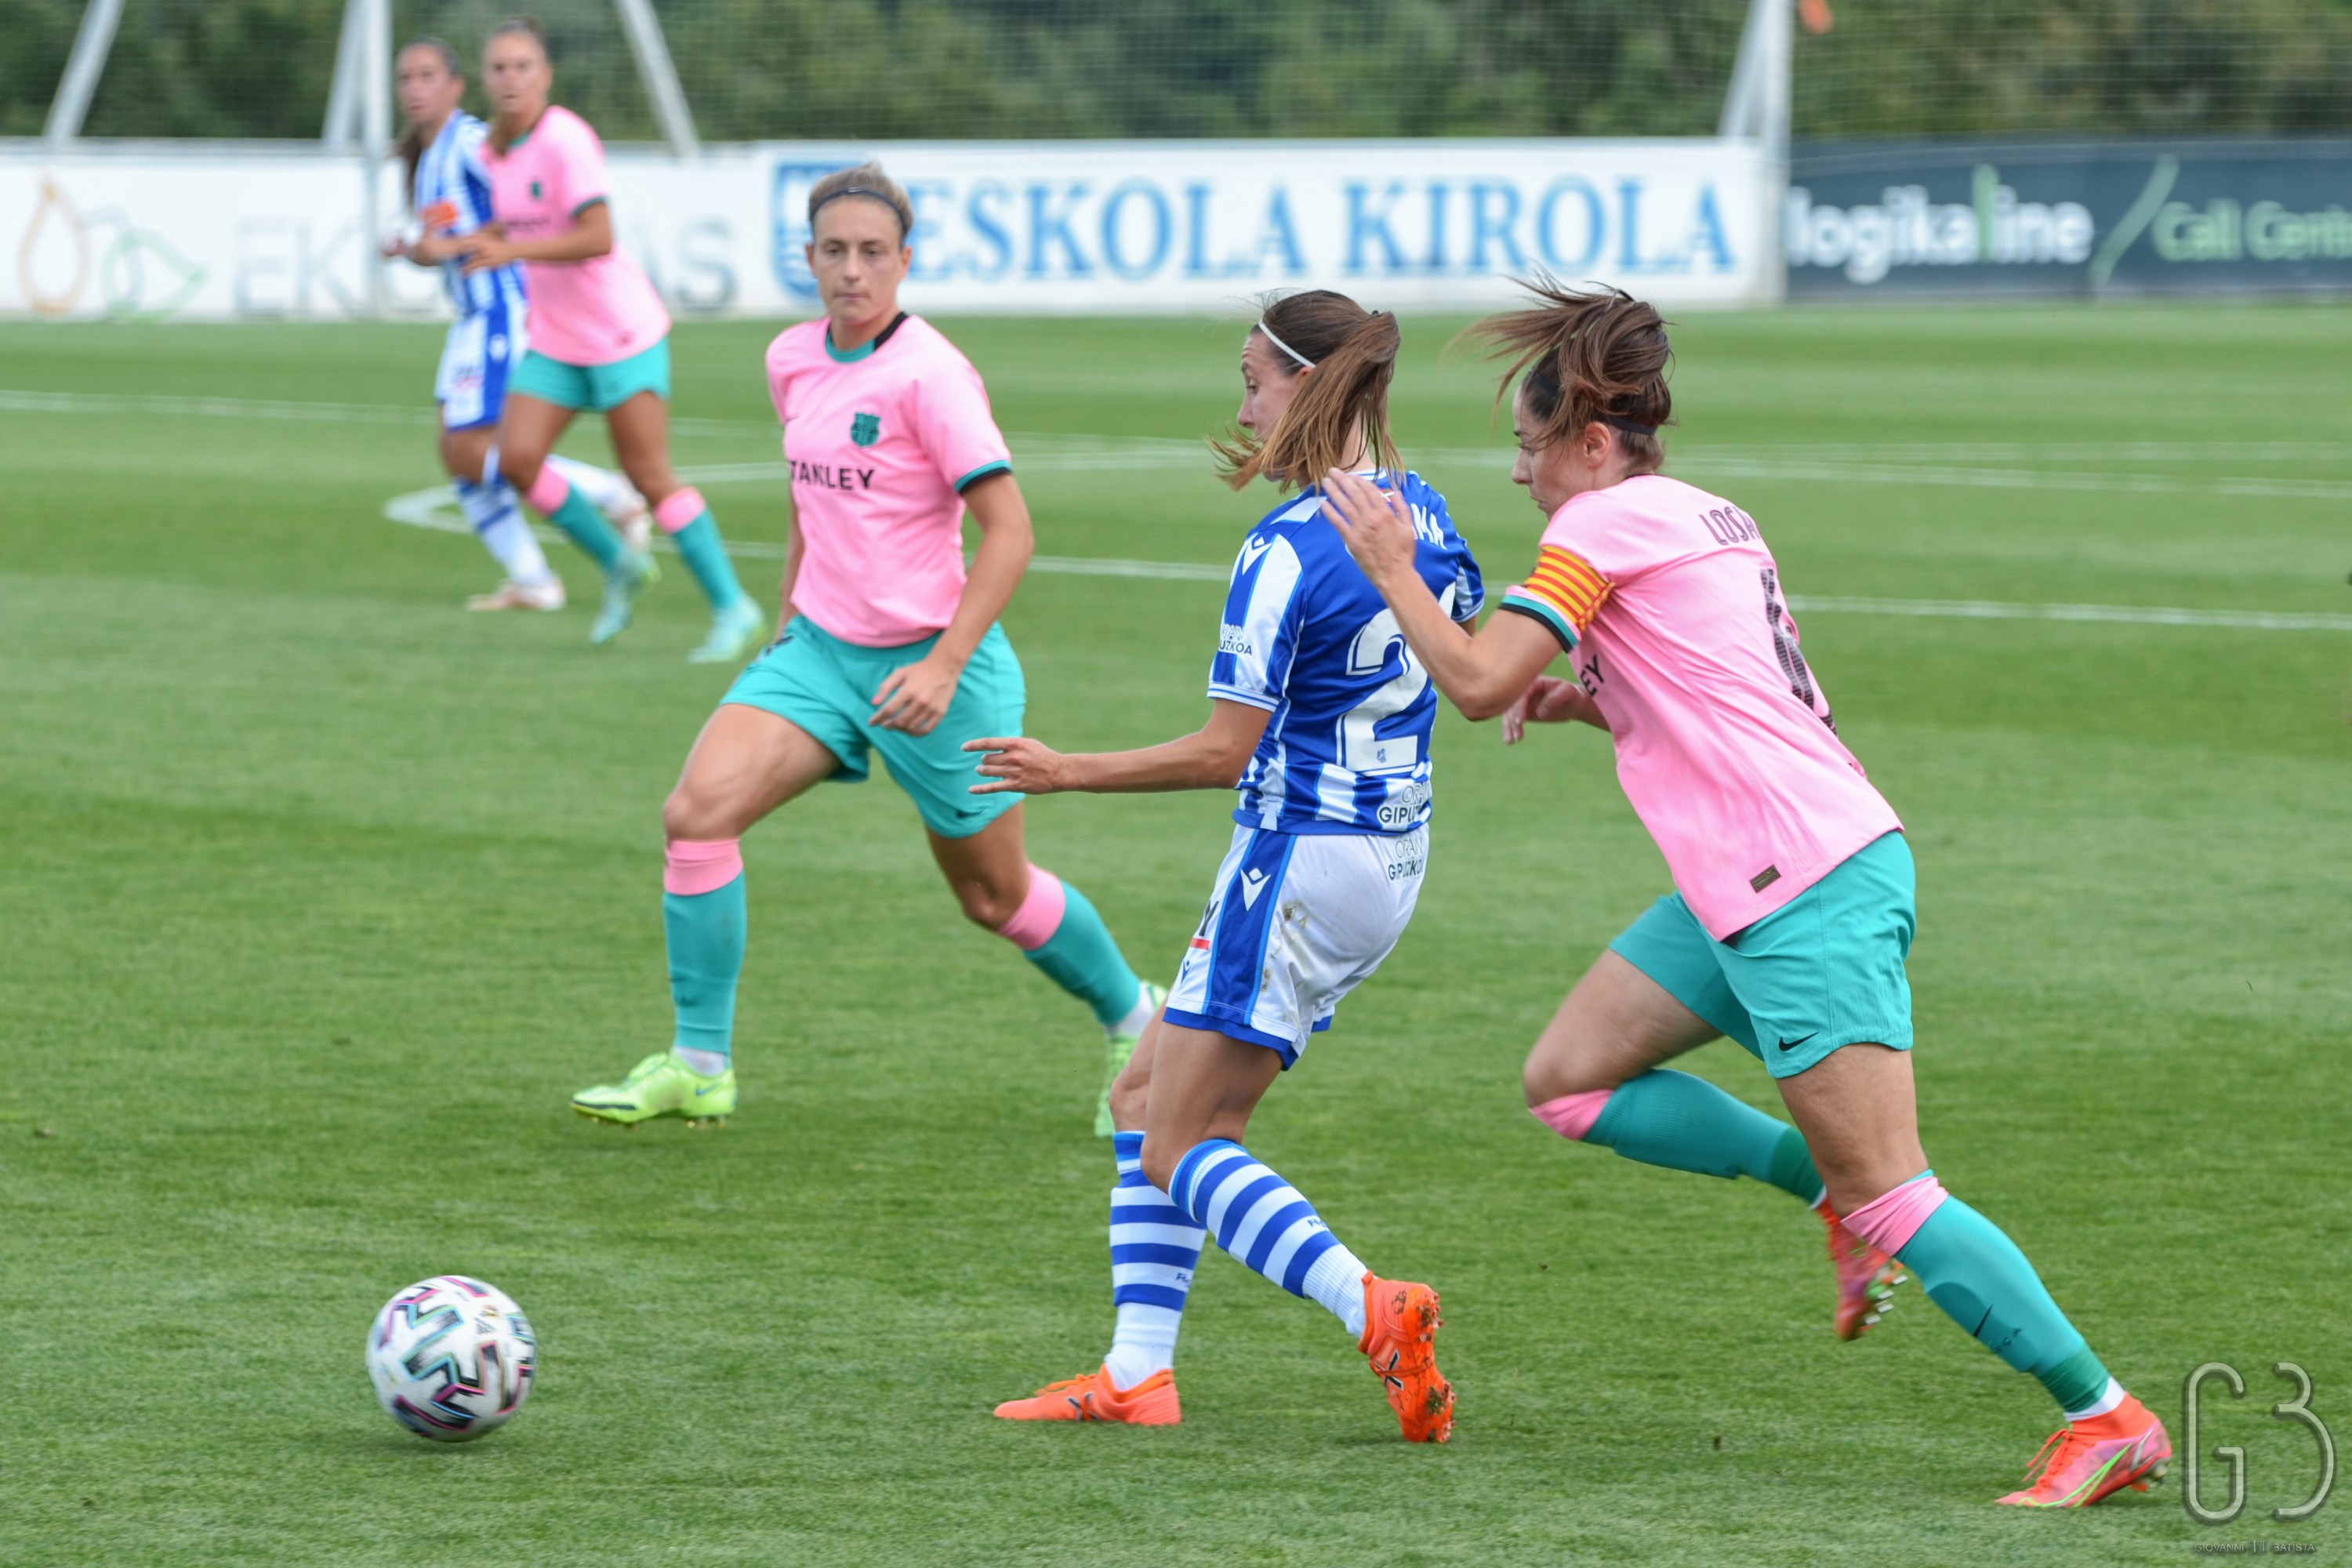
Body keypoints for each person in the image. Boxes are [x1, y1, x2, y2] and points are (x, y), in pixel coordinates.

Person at [1317, 280, 2171, 1505]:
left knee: (1899, 1189)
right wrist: (1595, 696)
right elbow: (1726, 680)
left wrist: (1392, 565)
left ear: (1595, 444)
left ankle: (2106, 1416)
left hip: (1799, 886)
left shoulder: (1598, 530)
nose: (1520, 477)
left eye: (1530, 447)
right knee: (1567, 1081)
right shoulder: (1708, 511)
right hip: (1770, 873)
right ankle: (1825, 1195)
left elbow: (1470, 679)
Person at [979, 291, 1482, 1443]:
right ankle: (1136, 1373)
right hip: (1388, 857)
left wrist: (1067, 773)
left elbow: (1224, 750)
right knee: (1142, 1092)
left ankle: (1372, 1304)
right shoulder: (1419, 511)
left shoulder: (1286, 548)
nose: (1241, 396)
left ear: (1307, 384)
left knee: (1184, 1140)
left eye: (1254, 375)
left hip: (1297, 862)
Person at [568, 164, 1160, 1134]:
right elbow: (814, 499)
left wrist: (943, 664)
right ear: (808, 260)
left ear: (904, 261)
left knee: (993, 894)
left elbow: (1009, 531)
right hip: (819, 654)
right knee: (696, 814)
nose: (852, 270)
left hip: (939, 664)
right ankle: (701, 1062)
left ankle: (1139, 1019)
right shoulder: (792, 358)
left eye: (872, 252)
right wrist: (787, 621)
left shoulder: (931, 373)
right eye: (833, 251)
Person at [459, 16, 763, 662]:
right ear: (485, 79)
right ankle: (618, 566)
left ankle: (732, 605)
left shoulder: (566, 139)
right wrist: (450, 246)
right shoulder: (491, 150)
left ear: (545, 76)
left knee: (648, 475)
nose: (511, 79)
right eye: (499, 68)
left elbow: (597, 237)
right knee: (514, 462)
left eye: (523, 67)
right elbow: (502, 229)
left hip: (621, 331)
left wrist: (510, 248)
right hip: (557, 340)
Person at [379, 35, 643, 612]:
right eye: (406, 78)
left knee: (476, 451)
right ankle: (533, 581)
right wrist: (420, 248)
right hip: (473, 316)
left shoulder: (472, 141)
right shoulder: (429, 156)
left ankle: (610, 496)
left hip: (504, 308)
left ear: (455, 86)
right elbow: (455, 235)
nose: (415, 89)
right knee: (458, 455)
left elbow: (523, 204)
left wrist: (450, 245)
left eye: (428, 76)